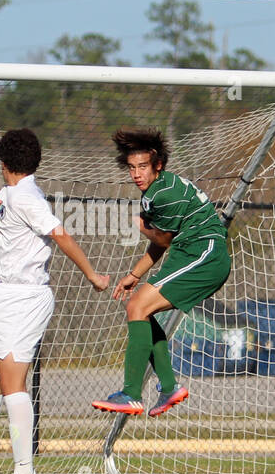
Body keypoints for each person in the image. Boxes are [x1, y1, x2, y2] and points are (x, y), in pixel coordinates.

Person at [0, 129, 109, 474]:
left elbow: (61, 234)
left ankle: (24, 472)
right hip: (0, 292)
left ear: (3, 163)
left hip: (25, 297)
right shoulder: (6, 195)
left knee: (13, 383)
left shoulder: (28, 197)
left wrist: (92, 275)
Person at [93, 128, 230, 416]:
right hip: (188, 255)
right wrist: (135, 274)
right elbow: (162, 242)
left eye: (142, 167)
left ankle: (131, 394)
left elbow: (162, 240)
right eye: (131, 168)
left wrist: (142, 227)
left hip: (204, 255)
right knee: (137, 307)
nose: (136, 174)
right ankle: (169, 387)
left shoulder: (165, 193)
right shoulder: (155, 192)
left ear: (158, 165)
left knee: (138, 306)